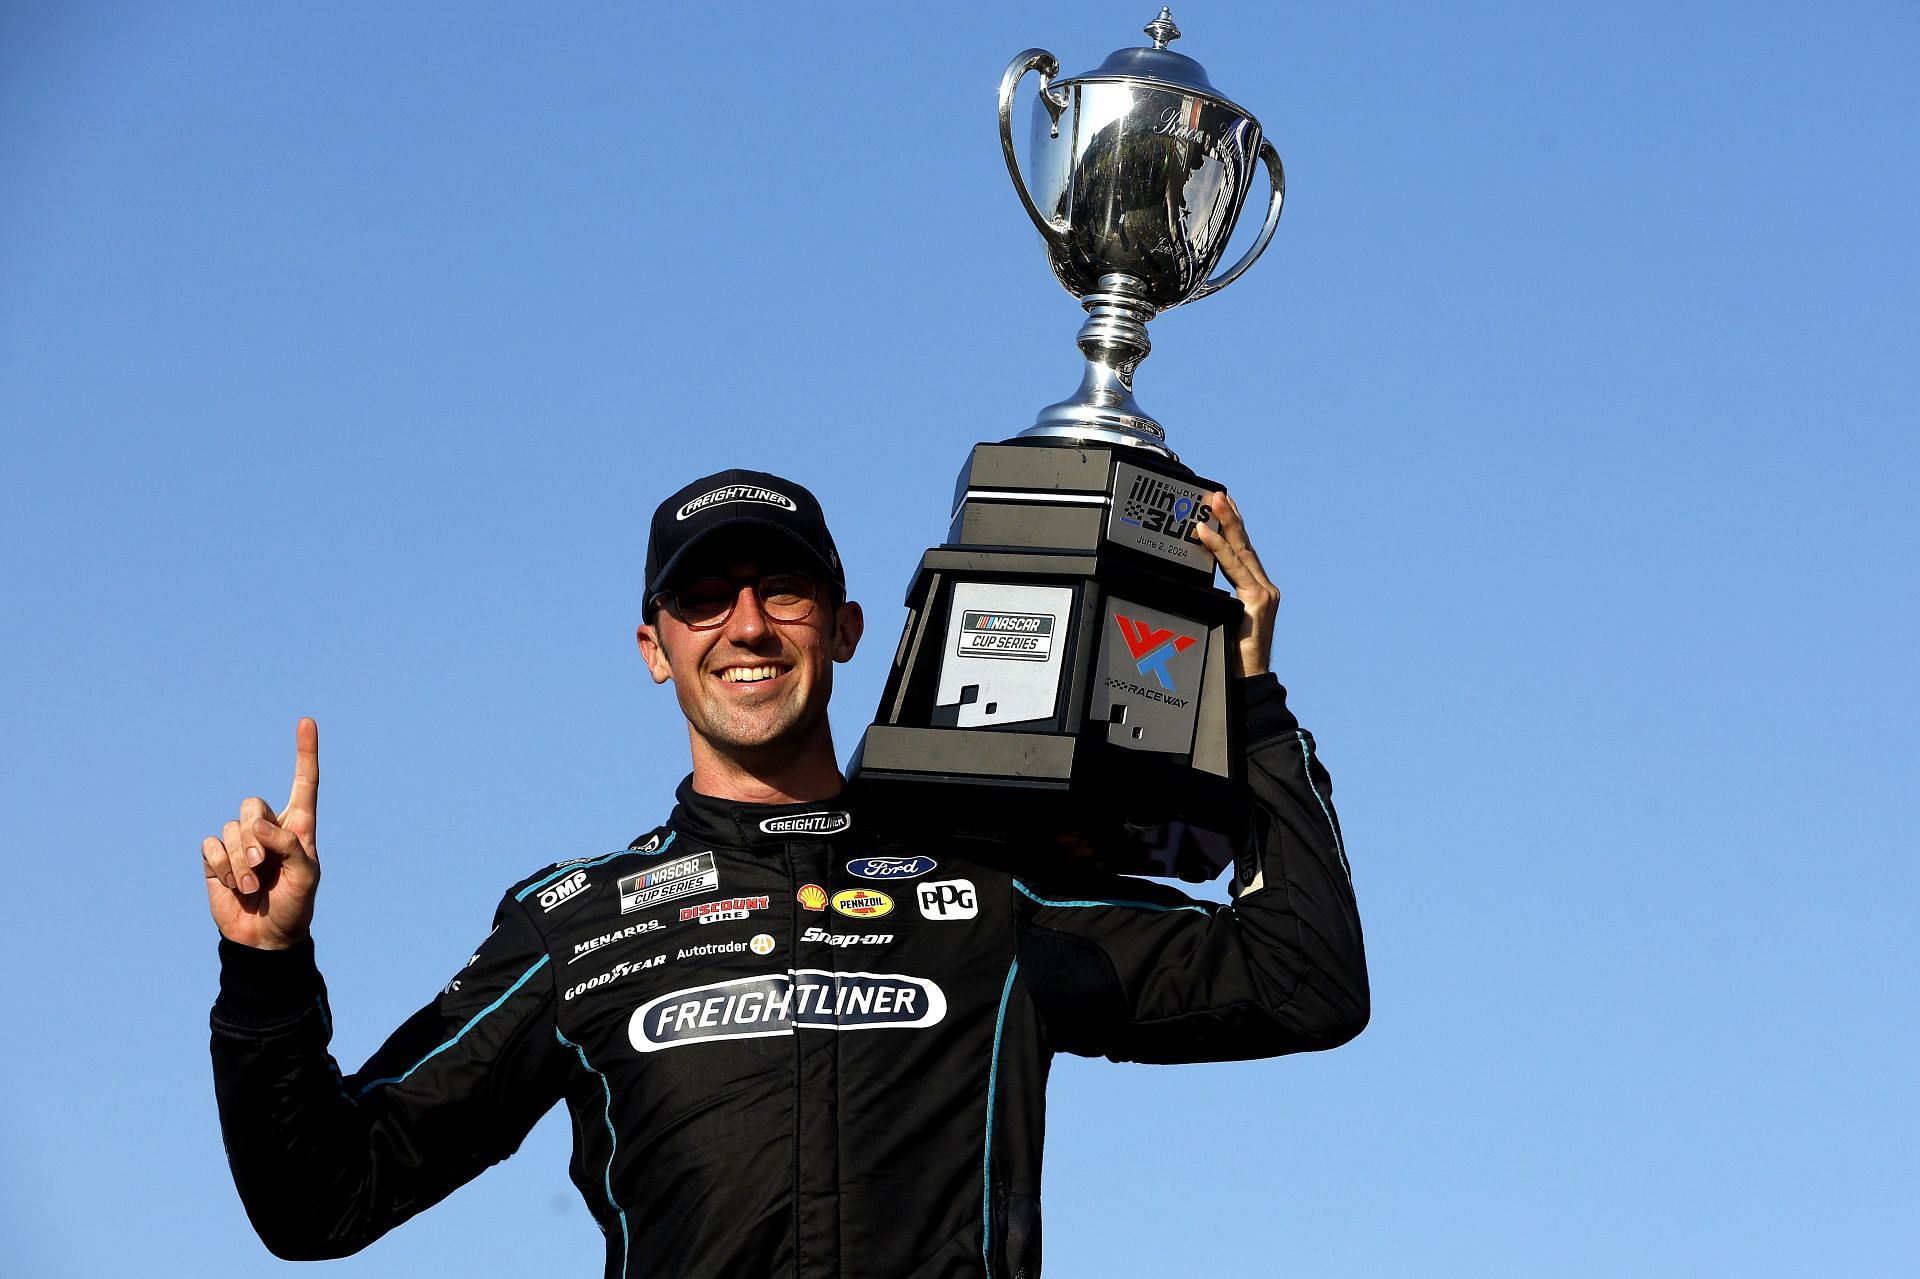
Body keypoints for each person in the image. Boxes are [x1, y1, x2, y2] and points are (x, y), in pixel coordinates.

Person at [205, 467, 1368, 1278]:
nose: (747, 624)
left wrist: (1253, 704)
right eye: (704, 598)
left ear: (851, 626)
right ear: (655, 649)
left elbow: (1302, 979)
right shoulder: (579, 925)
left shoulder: (990, 894)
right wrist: (265, 973)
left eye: (784, 590)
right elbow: (323, 1200)